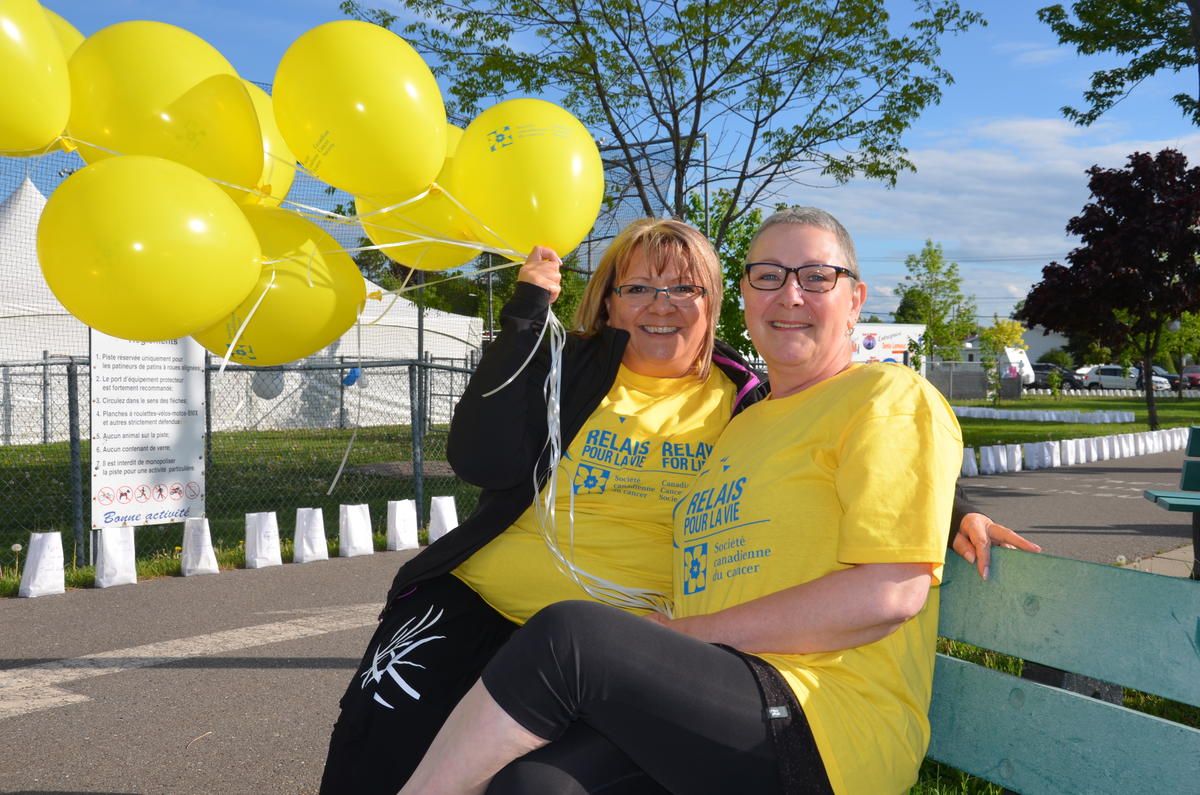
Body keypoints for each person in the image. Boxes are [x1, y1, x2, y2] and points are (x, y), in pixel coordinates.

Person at [319, 217, 1035, 794]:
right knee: (448, 764)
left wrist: (954, 507)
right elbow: (480, 457)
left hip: (679, 661)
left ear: (714, 303)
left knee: (564, 651)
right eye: (638, 288)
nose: (661, 304)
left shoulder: (746, 398)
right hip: (502, 611)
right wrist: (527, 314)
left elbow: (882, 452)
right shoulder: (582, 373)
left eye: (683, 289)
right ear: (608, 302)